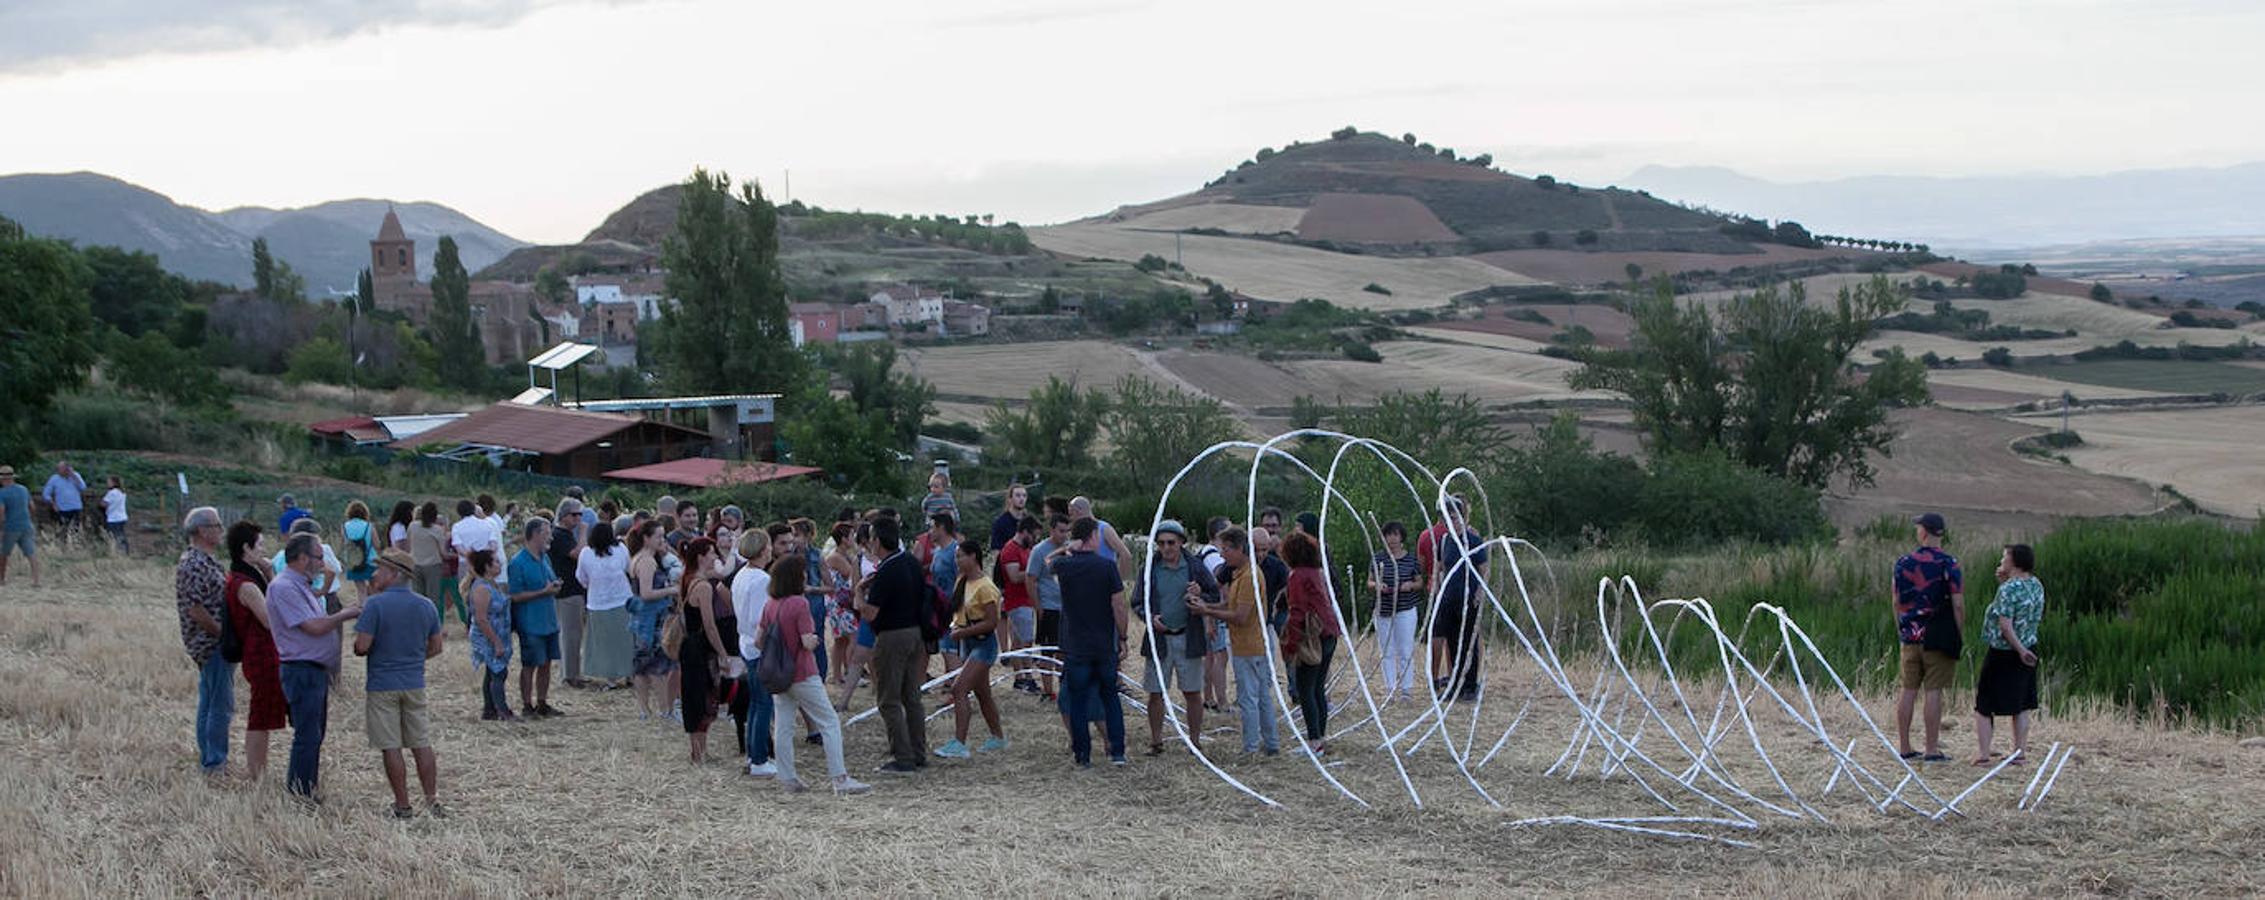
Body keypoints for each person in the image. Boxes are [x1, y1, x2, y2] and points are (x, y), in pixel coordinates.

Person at [756, 554, 870, 795]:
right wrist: (814, 640)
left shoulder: (770, 604)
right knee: (829, 722)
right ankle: (839, 778)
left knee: (783, 726)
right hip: (802, 673)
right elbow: (807, 642)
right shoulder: (799, 603)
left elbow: (759, 641)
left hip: (779, 675)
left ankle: (787, 778)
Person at [269, 532, 362, 802]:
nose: (323, 564)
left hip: (311, 670)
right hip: (301, 669)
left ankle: (306, 788)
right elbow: (313, 626)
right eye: (319, 558)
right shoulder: (285, 587)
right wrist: (346, 613)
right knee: (307, 735)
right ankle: (300, 794)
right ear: (301, 558)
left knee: (313, 733)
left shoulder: (300, 585)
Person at [354, 548, 444, 817]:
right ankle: (432, 800)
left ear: (393, 574)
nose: (374, 574)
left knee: (391, 745)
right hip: (414, 682)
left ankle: (403, 805)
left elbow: (362, 646)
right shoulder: (426, 605)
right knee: (421, 742)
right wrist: (414, 659)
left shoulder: (374, 605)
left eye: (380, 569)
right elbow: (436, 647)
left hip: (382, 684)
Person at [1136, 519, 1218, 756]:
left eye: (1171, 542)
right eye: (1161, 543)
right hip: (1160, 641)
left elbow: (1213, 594)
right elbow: (1137, 601)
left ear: (1181, 542)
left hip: (1188, 637)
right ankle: (1156, 741)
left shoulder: (1195, 567)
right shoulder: (1150, 567)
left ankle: (1194, 741)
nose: (1166, 548)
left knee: (1192, 692)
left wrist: (1200, 594)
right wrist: (1149, 617)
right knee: (1155, 693)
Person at [1193, 527, 1277, 755]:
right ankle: (1270, 744)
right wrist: (1206, 607)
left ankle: (1251, 747)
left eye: (1226, 550)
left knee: (1249, 698)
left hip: (1249, 647)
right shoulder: (1241, 573)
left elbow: (1240, 616)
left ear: (1239, 549)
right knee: (1260, 696)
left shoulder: (1249, 576)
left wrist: (1207, 612)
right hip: (1251, 645)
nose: (1222, 555)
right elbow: (1231, 605)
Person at [1054, 518, 1130, 768]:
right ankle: (1117, 752)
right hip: (1103, 645)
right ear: (1093, 537)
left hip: (1076, 646)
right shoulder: (1107, 567)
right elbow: (1118, 605)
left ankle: (1083, 754)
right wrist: (1123, 636)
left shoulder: (1065, 566)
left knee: (1077, 701)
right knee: (1110, 697)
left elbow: (1045, 564)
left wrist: (1066, 548)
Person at [857, 517, 930, 775]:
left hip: (891, 636)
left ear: (877, 540)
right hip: (914, 633)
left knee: (888, 699)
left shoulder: (886, 570)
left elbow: (870, 614)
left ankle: (903, 756)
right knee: (912, 696)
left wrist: (858, 592)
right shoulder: (910, 561)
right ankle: (918, 752)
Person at [1894, 512, 1965, 763]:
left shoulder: (1903, 562)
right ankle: (1931, 748)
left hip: (1910, 635)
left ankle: (1904, 746)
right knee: (1933, 690)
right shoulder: (1949, 563)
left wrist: (1901, 629)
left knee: (1908, 690)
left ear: (1924, 532)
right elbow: (1957, 603)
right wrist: (1958, 632)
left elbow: (1896, 600)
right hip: (1938, 635)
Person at [223, 521, 284, 783]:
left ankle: (257, 770)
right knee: (260, 716)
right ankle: (256, 772)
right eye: (259, 544)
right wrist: (271, 575)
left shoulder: (243, 577)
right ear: (246, 548)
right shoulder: (246, 584)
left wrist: (268, 571)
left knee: (262, 713)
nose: (264, 548)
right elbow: (271, 618)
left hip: (261, 652)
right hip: (261, 654)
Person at [937, 539, 1008, 759]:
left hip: (982, 645)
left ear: (973, 557)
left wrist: (962, 633)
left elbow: (991, 622)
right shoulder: (963, 581)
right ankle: (998, 737)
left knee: (959, 690)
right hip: (968, 644)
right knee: (982, 693)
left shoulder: (986, 587)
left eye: (960, 556)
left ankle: (959, 743)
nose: (957, 560)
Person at [175, 506, 232, 777]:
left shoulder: (202, 560)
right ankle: (214, 761)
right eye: (216, 525)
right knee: (219, 703)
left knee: (211, 700)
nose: (221, 530)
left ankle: (210, 756)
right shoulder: (195, 563)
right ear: (201, 530)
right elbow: (196, 609)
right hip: (210, 643)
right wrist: (222, 633)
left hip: (210, 642)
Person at [1974, 543, 2044, 766]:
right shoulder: (2036, 584)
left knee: (1984, 702)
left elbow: (2006, 625)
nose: (2002, 560)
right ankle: (2019, 752)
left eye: (2005, 557)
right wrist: (2025, 649)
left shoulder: (2007, 590)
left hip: (2005, 652)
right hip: (2029, 647)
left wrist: (2019, 649)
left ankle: (1984, 754)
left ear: (2014, 562)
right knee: (2021, 702)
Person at [1279, 532, 1342, 755]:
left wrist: (1291, 644)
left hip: (1312, 636)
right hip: (1329, 633)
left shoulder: (1297, 575)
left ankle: (1315, 742)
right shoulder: (1317, 572)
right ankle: (1320, 738)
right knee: (1318, 689)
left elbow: (1297, 611)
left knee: (1306, 689)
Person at [674, 537, 733, 763]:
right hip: (700, 648)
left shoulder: (687, 579)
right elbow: (709, 625)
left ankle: (698, 751)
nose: (715, 557)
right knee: (702, 698)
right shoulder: (703, 586)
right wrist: (723, 653)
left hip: (689, 646)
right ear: (701, 556)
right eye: (711, 553)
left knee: (694, 697)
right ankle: (699, 752)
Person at [1429, 499, 1489, 701]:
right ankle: (1455, 685)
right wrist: (1438, 591)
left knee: (1468, 643)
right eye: (1446, 519)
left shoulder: (1473, 541)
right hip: (1449, 599)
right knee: (1453, 643)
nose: (1450, 522)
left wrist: (1479, 593)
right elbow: (1439, 568)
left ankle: (1470, 686)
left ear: (1462, 518)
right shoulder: (1445, 541)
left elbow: (1484, 570)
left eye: (1453, 518)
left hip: (1469, 599)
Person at [508, 518, 565, 717]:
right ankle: (526, 705)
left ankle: (542, 702)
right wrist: (543, 591)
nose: (550, 537)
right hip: (530, 622)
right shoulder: (518, 562)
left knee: (546, 663)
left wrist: (554, 587)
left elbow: (549, 584)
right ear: (535, 534)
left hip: (548, 620)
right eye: (546, 532)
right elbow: (515, 595)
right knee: (530, 664)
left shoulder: (545, 558)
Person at [732, 530, 778, 776]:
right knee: (763, 704)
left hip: (745, 644)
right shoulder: (761, 579)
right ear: (762, 550)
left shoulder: (742, 574)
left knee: (755, 704)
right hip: (757, 647)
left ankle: (753, 755)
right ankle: (759, 758)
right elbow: (757, 619)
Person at [626, 521, 680, 721]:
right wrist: (672, 590)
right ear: (646, 538)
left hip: (642, 619)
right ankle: (665, 710)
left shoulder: (639, 558)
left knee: (641, 666)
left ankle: (644, 710)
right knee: (656, 667)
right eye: (658, 536)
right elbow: (646, 593)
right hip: (651, 619)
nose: (662, 540)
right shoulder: (647, 561)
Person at [1370, 521, 1425, 702]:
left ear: (1401, 537)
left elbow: (1419, 582)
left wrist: (1410, 585)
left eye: (1395, 535)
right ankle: (1390, 688)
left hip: (1405, 609)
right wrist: (1378, 585)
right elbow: (1370, 581)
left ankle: (1406, 689)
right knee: (1387, 650)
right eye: (1388, 535)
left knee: (1405, 648)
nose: (1392, 539)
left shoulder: (1410, 559)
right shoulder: (1378, 558)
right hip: (1383, 609)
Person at [576, 521, 635, 688]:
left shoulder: (586, 553)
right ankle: (628, 674)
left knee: (605, 643)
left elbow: (581, 577)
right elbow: (629, 568)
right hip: (621, 600)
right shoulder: (621, 549)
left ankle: (611, 678)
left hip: (599, 602)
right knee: (625, 640)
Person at [1025, 514, 1072, 701]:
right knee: (1048, 650)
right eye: (1061, 531)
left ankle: (1065, 689)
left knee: (1065, 650)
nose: (1064, 535)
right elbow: (1030, 578)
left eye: (1067, 531)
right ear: (1051, 530)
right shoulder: (1039, 551)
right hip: (1048, 607)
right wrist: (1038, 606)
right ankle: (1047, 690)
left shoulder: (1070, 549)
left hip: (1067, 608)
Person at [464, 549, 515, 721]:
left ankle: (490, 709)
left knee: (493, 671)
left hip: (497, 634)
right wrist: (496, 642)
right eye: (495, 562)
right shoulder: (481, 588)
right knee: (498, 672)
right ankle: (502, 710)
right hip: (488, 636)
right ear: (486, 566)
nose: (499, 564)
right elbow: (481, 618)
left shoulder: (491, 584)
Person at [998, 515, 1041, 694]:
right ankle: (1027, 677)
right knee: (1025, 641)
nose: (1035, 540)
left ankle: (1020, 678)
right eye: (1033, 536)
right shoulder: (1010, 550)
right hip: (1017, 602)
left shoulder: (1025, 549)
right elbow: (1014, 576)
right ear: (1024, 532)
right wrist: (1034, 572)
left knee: (1018, 640)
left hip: (1026, 600)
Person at [549, 498, 589, 687]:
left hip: (572, 589)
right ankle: (571, 675)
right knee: (571, 634)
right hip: (568, 591)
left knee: (573, 633)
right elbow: (577, 553)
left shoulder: (564, 534)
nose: (579, 518)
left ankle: (572, 673)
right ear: (564, 515)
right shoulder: (560, 535)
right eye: (575, 515)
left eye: (580, 514)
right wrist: (582, 534)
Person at [1195, 516, 1232, 714]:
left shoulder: (1203, 553)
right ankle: (1221, 701)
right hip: (1215, 611)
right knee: (1220, 656)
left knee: (1210, 656)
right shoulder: (1215, 557)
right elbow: (1221, 581)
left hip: (1207, 610)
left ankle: (1208, 698)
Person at [0, 465, 39, 587]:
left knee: (4, 554)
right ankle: (36, 580)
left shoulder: (2, 493)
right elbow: (32, 507)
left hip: (10, 527)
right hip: (26, 525)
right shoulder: (23, 489)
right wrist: (30, 519)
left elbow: (1, 512)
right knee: (31, 553)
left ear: (2, 479)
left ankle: (2, 579)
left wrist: (1, 528)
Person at [407, 503, 450, 607]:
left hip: (415, 564)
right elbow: (443, 553)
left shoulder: (412, 526)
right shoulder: (437, 530)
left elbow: (409, 543)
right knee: (432, 598)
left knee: (417, 595)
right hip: (433, 566)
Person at [1066, 496, 1131, 562]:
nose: (1071, 518)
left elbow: (1125, 554)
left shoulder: (1104, 528)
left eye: (1071, 514)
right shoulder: (1077, 531)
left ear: (1079, 511)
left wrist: (1119, 572)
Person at [340, 501, 379, 600]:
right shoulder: (369, 526)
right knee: (374, 589)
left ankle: (363, 609)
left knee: (360, 590)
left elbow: (343, 544)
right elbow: (377, 545)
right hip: (370, 560)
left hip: (353, 561)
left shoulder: (344, 527)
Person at [42, 460, 87, 542]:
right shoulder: (54, 479)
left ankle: (75, 546)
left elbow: (83, 487)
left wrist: (73, 476)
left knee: (75, 530)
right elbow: (46, 494)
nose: (60, 470)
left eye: (62, 468)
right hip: (62, 509)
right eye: (59, 468)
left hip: (76, 508)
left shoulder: (75, 476)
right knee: (62, 530)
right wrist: (53, 503)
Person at [989, 483, 1029, 551]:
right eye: (1018, 495)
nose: (1022, 499)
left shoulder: (1029, 522)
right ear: (1009, 499)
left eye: (1024, 496)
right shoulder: (1000, 523)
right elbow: (996, 550)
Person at [100, 476, 128, 553]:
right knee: (121, 535)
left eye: (109, 482)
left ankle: (116, 551)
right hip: (122, 517)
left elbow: (103, 504)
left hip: (113, 518)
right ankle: (125, 551)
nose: (107, 483)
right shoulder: (122, 492)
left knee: (114, 536)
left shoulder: (112, 493)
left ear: (114, 483)